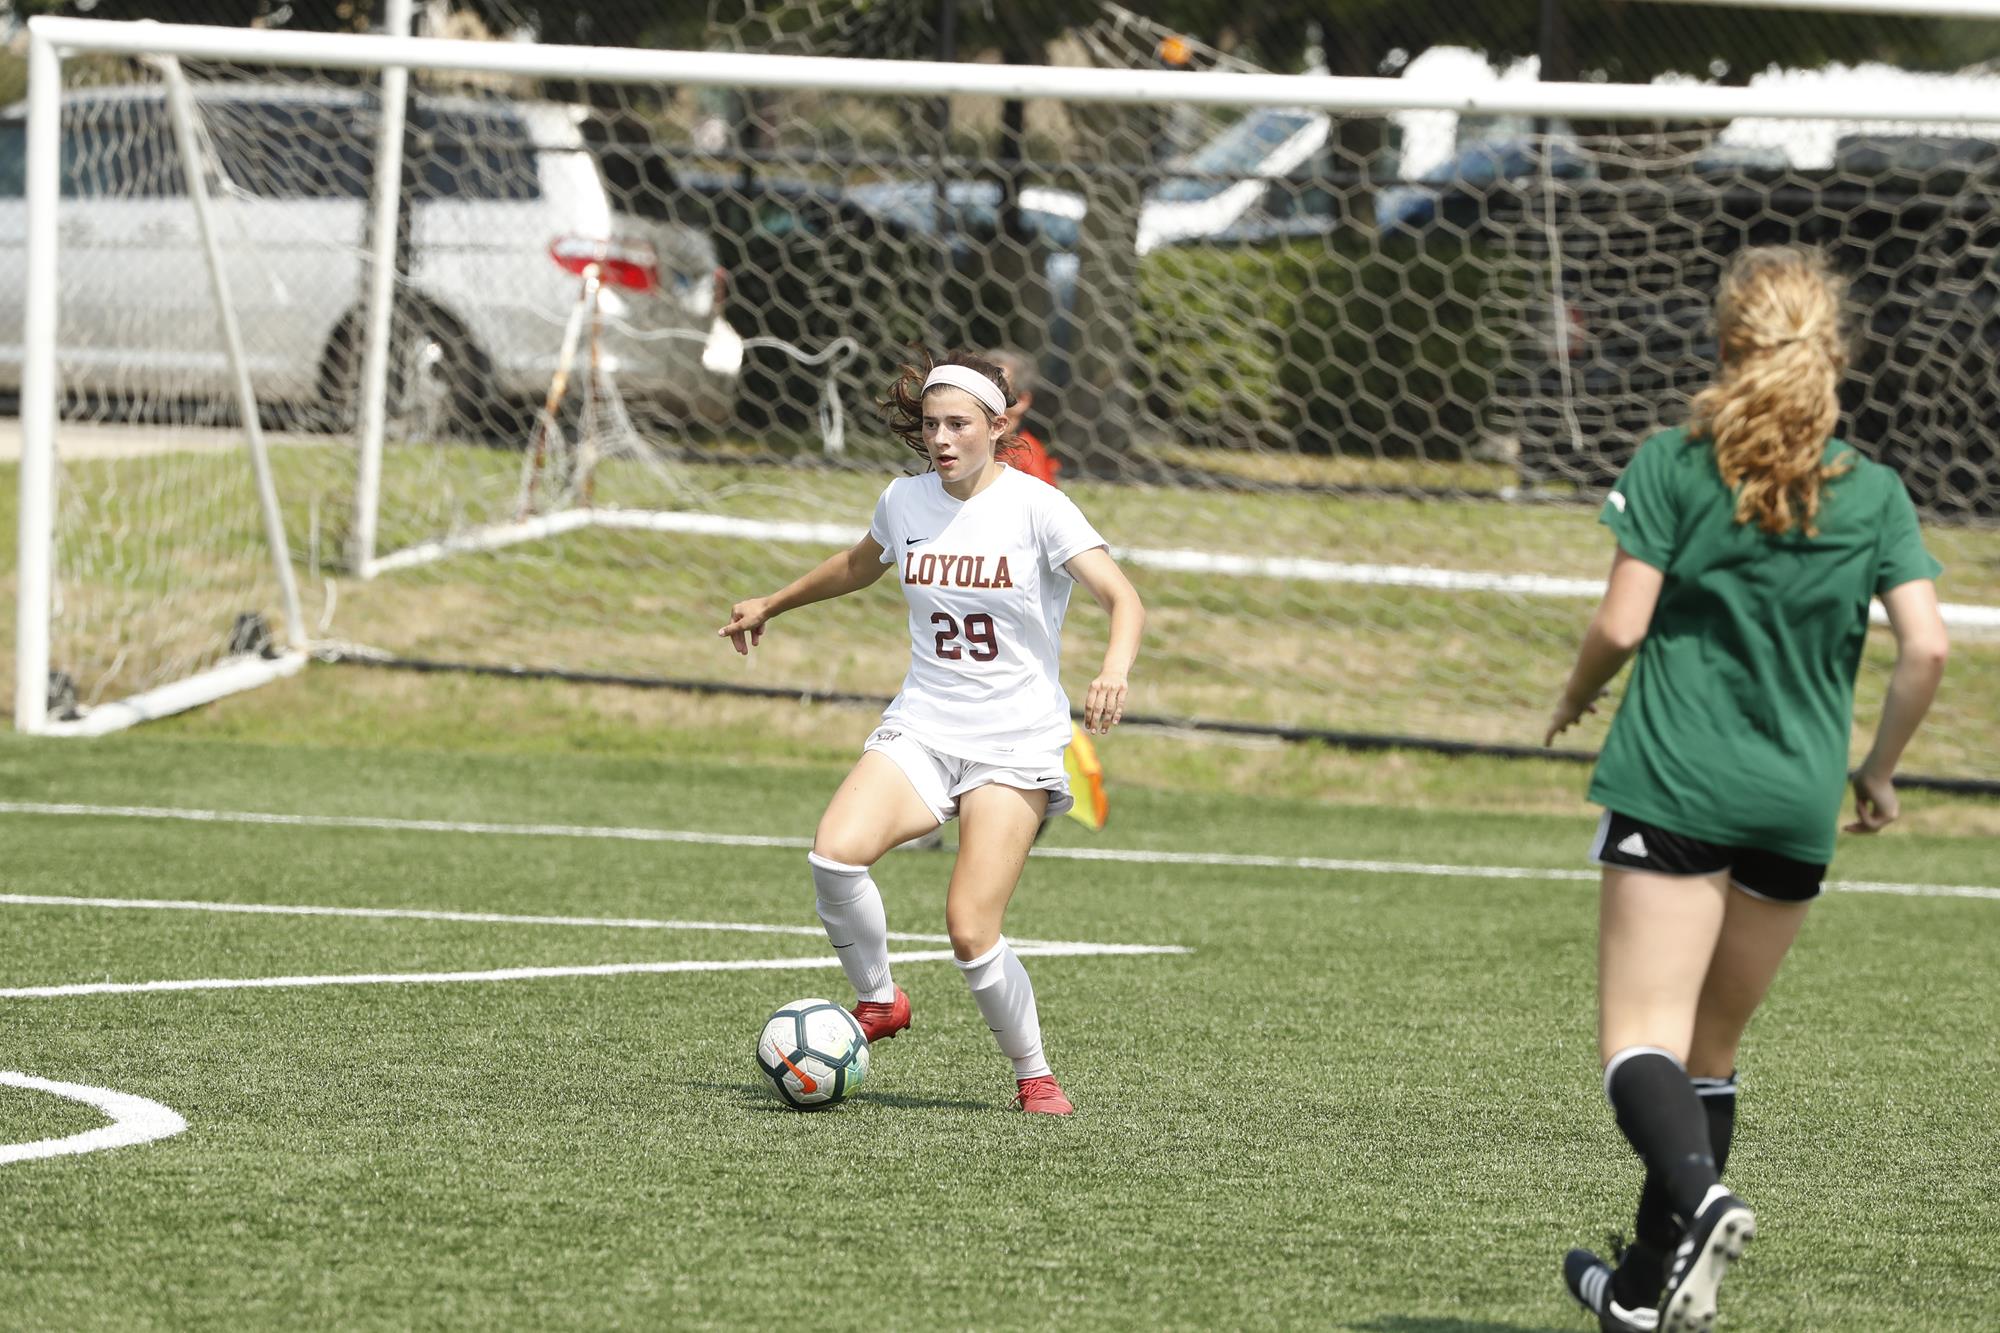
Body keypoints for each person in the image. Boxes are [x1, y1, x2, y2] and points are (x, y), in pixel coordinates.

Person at [1545, 246, 1947, 1333]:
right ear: (1832, 354)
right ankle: (1642, 1286)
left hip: (1674, 788)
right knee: (1707, 1055)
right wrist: (1875, 769)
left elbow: (1621, 623)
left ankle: (1702, 1195)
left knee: (1636, 1041)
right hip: (1793, 806)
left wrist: (1574, 697)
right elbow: (1925, 651)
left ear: (1725, 345)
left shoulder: (1676, 465)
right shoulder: (1871, 490)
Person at [719, 349, 1146, 1115]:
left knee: (970, 928)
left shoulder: (1038, 507)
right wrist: (772, 603)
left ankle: (1033, 1073)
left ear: (997, 425)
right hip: (923, 724)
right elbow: (860, 564)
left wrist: (1112, 670)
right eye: (931, 425)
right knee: (833, 853)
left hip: (1012, 742)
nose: (943, 439)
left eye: (959, 424)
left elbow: (1124, 598)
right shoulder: (905, 500)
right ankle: (879, 1000)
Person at [985, 347, 1108, 832]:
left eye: (1004, 395)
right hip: (965, 613)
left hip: (1012, 612)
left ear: (1025, 402)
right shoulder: (954, 456)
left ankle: (1042, 783)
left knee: (1016, 708)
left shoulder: (1029, 463)